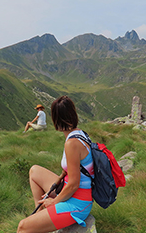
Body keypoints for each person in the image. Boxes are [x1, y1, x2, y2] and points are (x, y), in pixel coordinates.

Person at [17, 96, 94, 233]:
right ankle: (39, 218)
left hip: (78, 203)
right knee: (34, 171)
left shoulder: (72, 143)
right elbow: (77, 168)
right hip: (74, 192)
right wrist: (60, 178)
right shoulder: (80, 134)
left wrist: (55, 201)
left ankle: (35, 224)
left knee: (22, 227)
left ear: (56, 119)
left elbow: (74, 183)